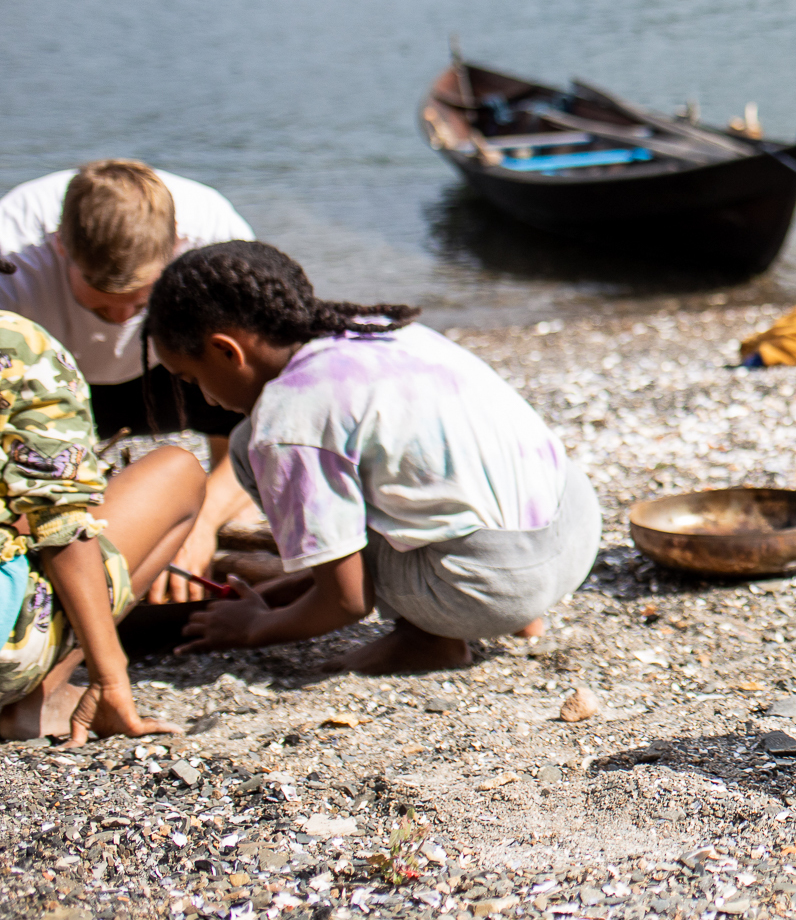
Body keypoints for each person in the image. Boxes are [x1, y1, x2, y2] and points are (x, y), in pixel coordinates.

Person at [146, 242, 601, 675]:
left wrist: (253, 628)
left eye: (192, 377)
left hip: (492, 587)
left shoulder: (288, 419)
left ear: (227, 350)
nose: (202, 395)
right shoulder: (376, 327)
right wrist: (282, 593)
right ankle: (525, 617)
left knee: (249, 445)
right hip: (573, 531)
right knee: (401, 480)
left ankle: (429, 638)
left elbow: (347, 603)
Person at [0, 161, 256, 604]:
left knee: (236, 381)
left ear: (178, 244)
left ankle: (228, 509)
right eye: (102, 304)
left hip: (166, 363)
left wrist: (202, 526)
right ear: (60, 245)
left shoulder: (216, 237)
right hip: (56, 365)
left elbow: (267, 415)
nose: (119, 318)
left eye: (137, 302)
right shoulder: (12, 247)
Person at [0, 304, 206, 742]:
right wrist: (109, 677)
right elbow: (62, 523)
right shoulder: (15, 342)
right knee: (179, 472)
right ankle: (45, 694)